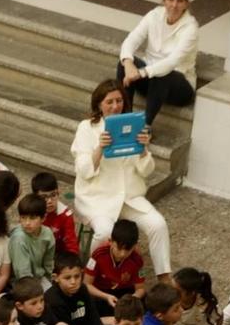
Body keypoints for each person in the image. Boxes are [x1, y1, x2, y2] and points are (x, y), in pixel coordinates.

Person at [70, 81, 171, 284]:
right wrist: (100, 148)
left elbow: (146, 171)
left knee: (158, 224)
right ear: (99, 104)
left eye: (119, 101)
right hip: (97, 197)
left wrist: (143, 149)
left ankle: (164, 276)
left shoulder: (133, 126)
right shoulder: (87, 128)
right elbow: (84, 171)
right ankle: (89, 272)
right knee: (105, 232)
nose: (115, 106)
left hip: (129, 197)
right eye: (109, 102)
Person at [118, 0, 198, 123]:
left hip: (180, 87)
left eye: (180, 0)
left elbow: (171, 62)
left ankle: (145, 127)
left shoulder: (190, 28)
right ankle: (124, 119)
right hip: (151, 83)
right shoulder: (154, 15)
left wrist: (141, 72)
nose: (174, 5)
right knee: (123, 63)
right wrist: (128, 63)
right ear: (164, 1)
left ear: (186, 4)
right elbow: (131, 40)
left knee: (162, 73)